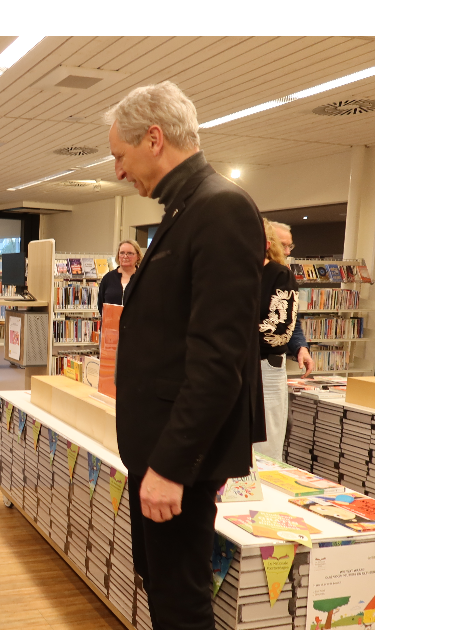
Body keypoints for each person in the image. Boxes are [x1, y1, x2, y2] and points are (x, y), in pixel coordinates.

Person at [105, 81, 266, 630]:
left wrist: (170, 468)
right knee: (161, 583)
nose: (120, 172)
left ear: (154, 139)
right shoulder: (183, 209)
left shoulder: (220, 208)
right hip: (156, 452)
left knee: (181, 603)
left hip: (178, 463)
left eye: (120, 156)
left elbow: (219, 360)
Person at [255, 219, 300, 462]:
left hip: (265, 368)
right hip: (230, 367)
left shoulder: (279, 275)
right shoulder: (227, 275)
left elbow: (279, 330)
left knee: (266, 445)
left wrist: (229, 337)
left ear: (265, 243)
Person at [269, 221, 315, 376]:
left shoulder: (285, 276)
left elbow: (291, 320)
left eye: (290, 246)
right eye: (283, 245)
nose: (287, 252)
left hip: (275, 361)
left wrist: (301, 347)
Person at [97, 239, 144, 315]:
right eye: (122, 253)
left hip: (135, 326)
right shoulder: (108, 278)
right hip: (111, 325)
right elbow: (100, 305)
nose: (125, 256)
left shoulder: (143, 278)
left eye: (130, 253)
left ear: (138, 256)